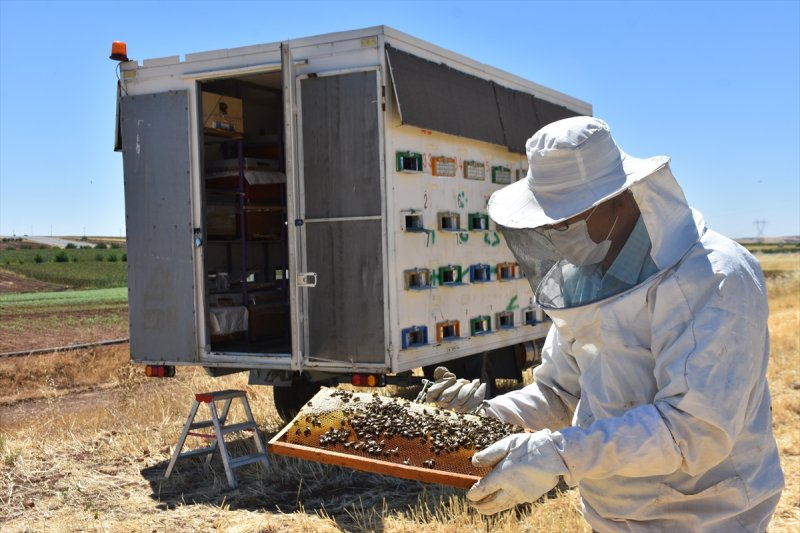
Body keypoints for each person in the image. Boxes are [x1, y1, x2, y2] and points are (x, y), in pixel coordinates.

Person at [426, 116, 784, 531]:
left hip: (709, 515)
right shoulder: (583, 279)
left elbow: (693, 431)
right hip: (611, 513)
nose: (554, 233)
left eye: (565, 221)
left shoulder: (713, 276)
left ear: (618, 199)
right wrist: (487, 416)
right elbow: (561, 394)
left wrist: (561, 455)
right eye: (545, 223)